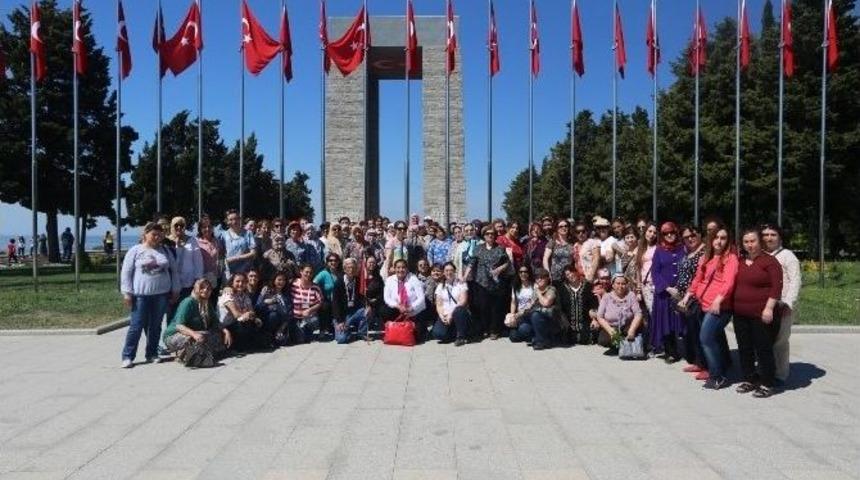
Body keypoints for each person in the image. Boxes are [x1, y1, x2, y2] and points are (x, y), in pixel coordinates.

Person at [679, 227, 739, 390]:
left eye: (723, 238)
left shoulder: (731, 258)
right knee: (714, 339)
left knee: (706, 338)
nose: (719, 241)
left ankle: (717, 376)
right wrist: (688, 295)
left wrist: (718, 300)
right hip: (702, 304)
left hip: (719, 307)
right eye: (716, 237)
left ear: (728, 240)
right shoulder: (707, 257)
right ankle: (721, 368)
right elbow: (698, 278)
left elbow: (729, 282)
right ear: (710, 240)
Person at [119, 222, 180, 368]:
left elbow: (174, 271)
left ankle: (152, 353)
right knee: (136, 326)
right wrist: (127, 293)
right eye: (153, 234)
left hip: (161, 295)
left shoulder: (165, 250)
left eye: (159, 234)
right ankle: (128, 356)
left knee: (155, 326)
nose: (157, 237)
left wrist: (176, 290)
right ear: (145, 234)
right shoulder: (135, 250)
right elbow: (126, 273)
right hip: (140, 296)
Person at [732, 228, 783, 398]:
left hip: (761, 314)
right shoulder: (740, 261)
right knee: (745, 348)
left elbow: (776, 288)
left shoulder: (770, 262)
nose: (749, 245)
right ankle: (750, 379)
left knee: (763, 349)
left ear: (760, 241)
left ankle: (767, 383)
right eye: (746, 242)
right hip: (740, 314)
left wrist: (769, 308)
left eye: (752, 241)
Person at [762, 224, 801, 384]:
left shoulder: (788, 256)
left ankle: (780, 374)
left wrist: (788, 304)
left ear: (780, 237)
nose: (769, 238)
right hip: (763, 305)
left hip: (782, 305)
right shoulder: (760, 255)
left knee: (780, 341)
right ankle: (765, 370)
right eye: (765, 235)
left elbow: (795, 281)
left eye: (773, 235)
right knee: (764, 340)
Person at [669, 225, 710, 378]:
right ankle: (699, 362)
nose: (690, 239)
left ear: (700, 235)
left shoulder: (705, 252)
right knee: (692, 331)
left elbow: (703, 278)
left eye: (693, 235)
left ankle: (708, 366)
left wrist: (689, 295)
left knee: (701, 333)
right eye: (686, 237)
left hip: (697, 298)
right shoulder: (688, 252)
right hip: (684, 298)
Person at [163, 278, 231, 365]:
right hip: (175, 334)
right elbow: (179, 326)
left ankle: (189, 353)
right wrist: (194, 334)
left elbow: (215, 322)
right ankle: (185, 355)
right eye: (202, 287)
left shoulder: (207, 303)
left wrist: (225, 331)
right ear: (195, 289)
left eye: (208, 288)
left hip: (199, 333)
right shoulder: (188, 302)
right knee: (195, 339)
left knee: (218, 335)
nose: (205, 290)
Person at [649, 222, 686, 361]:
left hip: (681, 291)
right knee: (666, 323)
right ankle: (670, 351)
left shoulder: (683, 248)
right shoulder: (659, 250)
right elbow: (655, 272)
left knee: (682, 322)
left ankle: (689, 350)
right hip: (664, 293)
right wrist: (667, 288)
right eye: (665, 233)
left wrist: (681, 287)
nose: (669, 235)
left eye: (672, 232)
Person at [468, 226, 512, 339]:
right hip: (481, 281)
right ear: (484, 235)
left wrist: (499, 269)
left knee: (496, 308)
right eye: (487, 233)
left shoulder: (500, 248)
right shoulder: (478, 248)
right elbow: (472, 262)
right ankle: (485, 329)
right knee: (483, 307)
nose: (490, 235)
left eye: (492, 233)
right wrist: (464, 275)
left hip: (496, 282)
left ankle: (494, 330)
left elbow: (507, 262)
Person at [218, 272, 270, 352]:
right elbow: (236, 315)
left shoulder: (245, 296)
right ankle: (237, 347)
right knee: (244, 323)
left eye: (243, 282)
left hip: (238, 323)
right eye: (237, 281)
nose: (240, 284)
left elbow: (252, 311)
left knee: (257, 322)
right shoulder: (228, 295)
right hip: (226, 326)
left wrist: (250, 315)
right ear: (232, 282)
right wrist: (247, 314)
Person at [508, 268, 559, 350]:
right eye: (537, 278)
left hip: (550, 321)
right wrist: (515, 316)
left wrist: (538, 291)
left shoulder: (551, 289)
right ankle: (537, 337)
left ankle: (541, 341)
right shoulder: (536, 291)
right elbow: (529, 306)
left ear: (547, 278)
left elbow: (546, 303)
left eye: (542, 277)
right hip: (537, 321)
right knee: (521, 330)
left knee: (535, 315)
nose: (539, 279)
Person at [593, 274, 644, 354]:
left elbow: (638, 314)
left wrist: (632, 330)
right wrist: (611, 331)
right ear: (613, 285)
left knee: (638, 332)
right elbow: (600, 317)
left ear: (626, 285)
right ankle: (620, 346)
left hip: (627, 326)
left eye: (623, 284)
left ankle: (625, 346)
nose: (620, 286)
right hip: (612, 326)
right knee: (603, 340)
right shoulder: (606, 297)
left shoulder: (631, 295)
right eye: (618, 283)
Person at [381, 259, 429, 341]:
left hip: (413, 311)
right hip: (398, 310)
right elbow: (387, 298)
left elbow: (421, 298)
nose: (400, 270)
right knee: (384, 310)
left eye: (403, 267)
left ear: (407, 269)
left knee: (418, 337)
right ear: (394, 268)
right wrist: (398, 306)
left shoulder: (413, 279)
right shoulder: (389, 280)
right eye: (398, 267)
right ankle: (391, 328)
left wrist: (411, 307)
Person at [331, 258, 371, 344]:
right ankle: (346, 330)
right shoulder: (339, 282)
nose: (351, 270)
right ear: (344, 269)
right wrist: (340, 321)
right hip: (341, 315)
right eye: (349, 267)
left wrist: (368, 306)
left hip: (353, 312)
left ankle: (361, 333)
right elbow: (335, 304)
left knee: (366, 312)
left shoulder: (358, 281)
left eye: (353, 267)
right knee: (341, 339)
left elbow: (363, 296)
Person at [557, 264, 598, 345]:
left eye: (572, 272)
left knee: (586, 338)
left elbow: (594, 305)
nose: (571, 275)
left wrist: (594, 319)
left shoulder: (588, 287)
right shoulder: (562, 289)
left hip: (585, 323)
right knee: (566, 338)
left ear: (576, 272)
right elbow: (560, 308)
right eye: (567, 274)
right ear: (566, 277)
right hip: (568, 324)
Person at [432, 262, 471, 346]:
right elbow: (439, 305)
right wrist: (442, 316)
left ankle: (461, 337)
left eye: (451, 270)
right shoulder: (440, 286)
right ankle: (455, 332)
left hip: (458, 313)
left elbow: (463, 301)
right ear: (443, 272)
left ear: (454, 271)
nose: (449, 272)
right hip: (446, 315)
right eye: (446, 270)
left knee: (459, 310)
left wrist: (451, 314)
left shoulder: (461, 283)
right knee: (437, 334)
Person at [167, 216, 204, 303]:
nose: (179, 227)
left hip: (188, 283)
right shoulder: (167, 241)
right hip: (171, 283)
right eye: (176, 225)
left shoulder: (191, 240)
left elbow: (198, 261)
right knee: (171, 310)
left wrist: (198, 279)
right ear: (172, 226)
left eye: (182, 225)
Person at [256, 272, 293, 346]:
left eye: (283, 280)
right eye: (279, 280)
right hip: (268, 320)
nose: (281, 282)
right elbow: (258, 306)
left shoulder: (286, 294)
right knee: (273, 315)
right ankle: (269, 336)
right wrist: (266, 302)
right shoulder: (266, 290)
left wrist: (282, 328)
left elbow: (289, 311)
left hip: (283, 323)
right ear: (274, 280)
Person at [220, 209, 257, 281]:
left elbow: (253, 253)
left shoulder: (248, 233)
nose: (234, 221)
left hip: (245, 271)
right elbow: (221, 254)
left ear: (240, 219)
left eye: (236, 219)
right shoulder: (223, 235)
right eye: (231, 219)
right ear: (227, 221)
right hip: (229, 272)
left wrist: (236, 258)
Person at [291, 263, 324, 343]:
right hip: (294, 317)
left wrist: (310, 310)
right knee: (300, 340)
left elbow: (320, 301)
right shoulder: (293, 284)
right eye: (306, 272)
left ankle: (307, 331)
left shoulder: (315, 287)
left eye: (311, 273)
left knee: (314, 321)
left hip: (308, 317)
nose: (308, 274)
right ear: (301, 272)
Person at [313, 253, 341, 340]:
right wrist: (320, 295)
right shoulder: (323, 273)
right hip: (327, 300)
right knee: (324, 306)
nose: (333, 262)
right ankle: (323, 330)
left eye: (335, 260)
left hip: (338, 301)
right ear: (327, 262)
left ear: (339, 262)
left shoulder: (341, 273)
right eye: (330, 261)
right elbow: (314, 284)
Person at [543, 219, 574, 284]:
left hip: (568, 277)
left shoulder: (572, 243)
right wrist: (548, 274)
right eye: (561, 226)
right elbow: (545, 259)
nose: (564, 228)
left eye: (566, 226)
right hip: (554, 278)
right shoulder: (552, 242)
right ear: (557, 229)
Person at [196, 215, 222, 290]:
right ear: (200, 229)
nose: (207, 229)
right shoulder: (196, 242)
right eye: (204, 227)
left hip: (215, 278)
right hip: (202, 279)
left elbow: (221, 258)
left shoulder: (217, 241)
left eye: (210, 227)